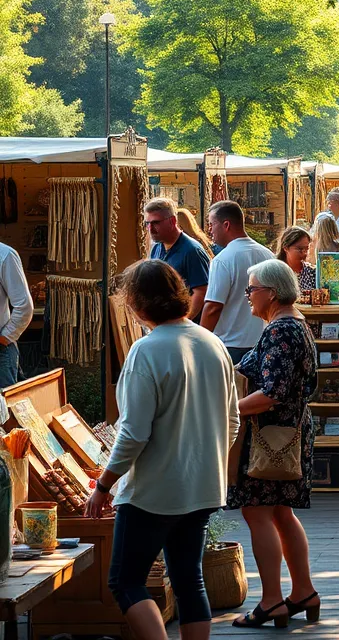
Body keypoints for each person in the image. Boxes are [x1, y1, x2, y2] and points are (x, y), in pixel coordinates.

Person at [85, 260, 237, 640]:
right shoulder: (212, 343)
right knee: (189, 580)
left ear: (136, 303)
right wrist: (204, 457)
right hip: (203, 485)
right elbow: (232, 420)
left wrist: (104, 485)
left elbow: (134, 433)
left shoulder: (146, 351)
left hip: (153, 491)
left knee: (125, 581)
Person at [229, 260, 319, 628]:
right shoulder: (291, 323)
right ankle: (303, 593)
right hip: (288, 432)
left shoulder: (280, 330)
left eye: (251, 289)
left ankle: (271, 600)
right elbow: (252, 370)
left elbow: (273, 392)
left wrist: (230, 411)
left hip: (272, 435)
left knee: (258, 512)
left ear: (271, 292)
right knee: (281, 513)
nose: (248, 296)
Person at [201, 201, 275, 364]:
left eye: (211, 224)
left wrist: (200, 341)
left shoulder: (222, 260)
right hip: (262, 342)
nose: (210, 230)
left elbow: (213, 307)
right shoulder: (268, 255)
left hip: (230, 344)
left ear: (226, 225)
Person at [145, 198, 211, 319]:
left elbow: (201, 292)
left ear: (172, 221)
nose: (151, 229)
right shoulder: (156, 248)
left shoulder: (192, 250)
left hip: (183, 327)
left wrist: (183, 321)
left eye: (156, 223)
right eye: (147, 223)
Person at [0, 241, 33, 388]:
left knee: (4, 409)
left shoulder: (5, 255)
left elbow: (24, 307)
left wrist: (4, 338)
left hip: (1, 351)